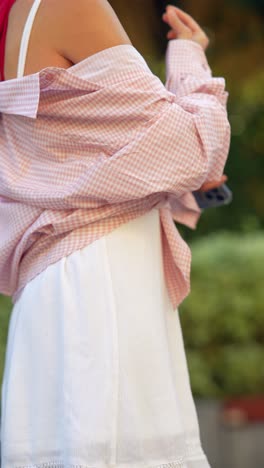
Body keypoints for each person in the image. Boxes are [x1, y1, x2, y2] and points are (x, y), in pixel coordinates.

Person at [0, 1, 230, 468]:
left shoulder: (24, 14)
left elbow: (127, 154)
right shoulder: (72, 4)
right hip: (100, 282)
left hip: (65, 285)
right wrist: (188, 58)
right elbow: (194, 147)